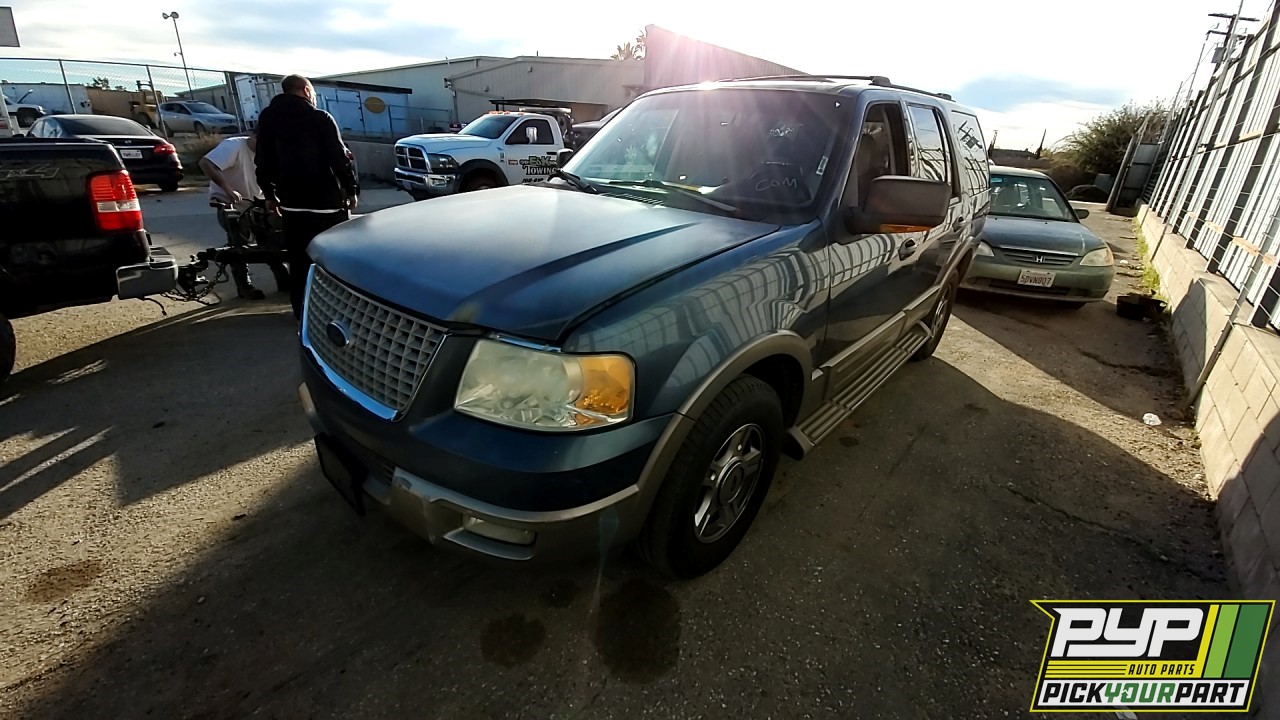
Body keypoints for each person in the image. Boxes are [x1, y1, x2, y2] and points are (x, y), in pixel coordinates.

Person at [254, 74, 359, 319]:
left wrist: (270, 194)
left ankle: (302, 313)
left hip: (292, 204)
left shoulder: (268, 119)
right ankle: (337, 312)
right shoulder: (319, 117)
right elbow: (339, 158)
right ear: (304, 90)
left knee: (299, 261)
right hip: (326, 203)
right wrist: (351, 189)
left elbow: (263, 159)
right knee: (334, 259)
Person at [200, 130, 269, 300]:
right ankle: (244, 286)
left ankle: (283, 278)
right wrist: (227, 189)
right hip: (230, 203)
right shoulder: (234, 146)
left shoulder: (268, 152)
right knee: (238, 244)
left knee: (269, 241)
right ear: (253, 136)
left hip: (256, 202)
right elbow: (206, 163)